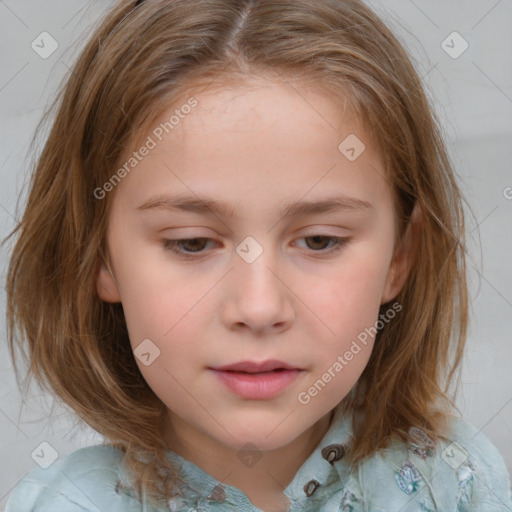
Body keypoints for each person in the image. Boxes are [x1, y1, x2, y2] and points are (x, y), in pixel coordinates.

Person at [3, 0, 512, 510]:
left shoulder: (455, 484)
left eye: (319, 241)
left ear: (401, 256)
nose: (259, 307)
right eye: (192, 243)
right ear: (99, 256)